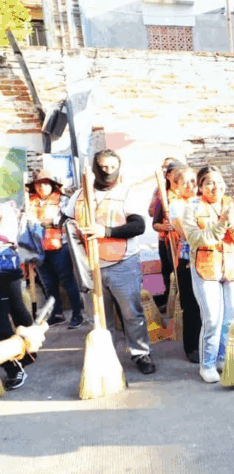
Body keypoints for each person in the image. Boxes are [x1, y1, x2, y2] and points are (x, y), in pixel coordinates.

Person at [64, 149, 157, 375]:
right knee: (99, 317)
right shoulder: (79, 196)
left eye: (112, 167)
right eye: (103, 167)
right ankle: (108, 357)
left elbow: (138, 226)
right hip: (91, 266)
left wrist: (104, 231)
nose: (108, 172)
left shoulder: (126, 194)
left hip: (122, 264)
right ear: (95, 168)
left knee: (131, 313)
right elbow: (66, 219)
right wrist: (73, 230)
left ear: (119, 167)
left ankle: (140, 353)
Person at [183, 166, 234, 383]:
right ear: (201, 186)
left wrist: (232, 223)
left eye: (219, 182)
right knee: (212, 318)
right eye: (209, 183)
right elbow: (196, 238)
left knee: (231, 318)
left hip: (233, 268)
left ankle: (224, 357)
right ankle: (207, 364)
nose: (215, 187)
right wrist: (221, 225)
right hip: (206, 269)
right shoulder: (192, 207)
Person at [27, 168, 84, 328]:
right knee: (48, 283)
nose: (41, 187)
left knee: (67, 281)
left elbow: (62, 220)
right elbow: (27, 223)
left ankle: (77, 314)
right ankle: (56, 314)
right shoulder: (30, 202)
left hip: (60, 246)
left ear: (52, 185)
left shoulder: (62, 200)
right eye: (38, 184)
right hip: (39, 248)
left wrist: (41, 222)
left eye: (45, 184)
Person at [167, 165, 202, 363]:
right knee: (191, 304)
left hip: (208, 258)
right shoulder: (176, 205)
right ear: (177, 186)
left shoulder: (203, 202)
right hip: (188, 259)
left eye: (193, 181)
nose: (191, 185)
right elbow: (186, 231)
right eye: (185, 182)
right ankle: (192, 347)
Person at [0, 200, 34, 390]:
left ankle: (15, 366)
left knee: (13, 311)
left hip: (4, 266)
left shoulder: (5, 209)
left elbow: (8, 236)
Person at [149, 158, 184, 309]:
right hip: (168, 240)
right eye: (174, 173)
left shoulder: (188, 192)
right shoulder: (161, 193)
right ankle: (172, 303)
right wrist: (166, 226)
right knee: (169, 271)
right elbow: (154, 220)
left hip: (185, 240)